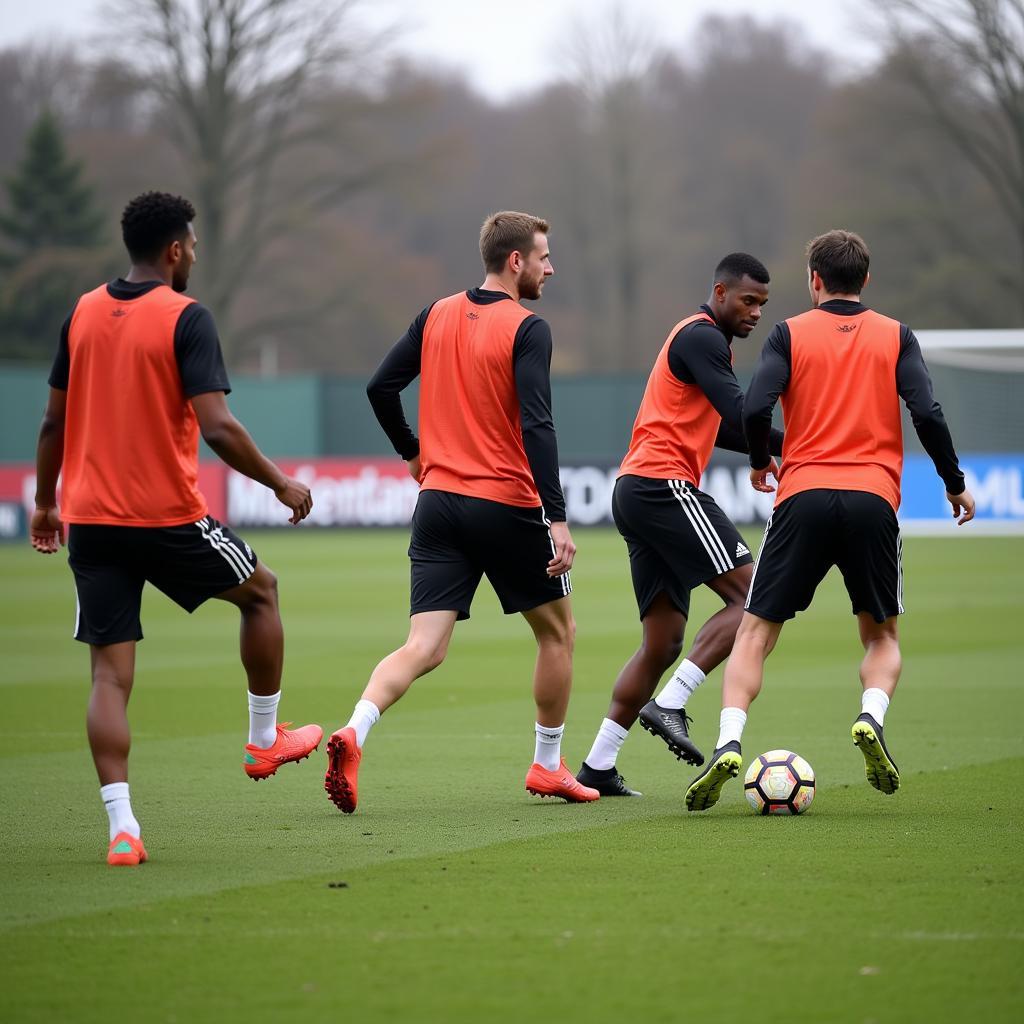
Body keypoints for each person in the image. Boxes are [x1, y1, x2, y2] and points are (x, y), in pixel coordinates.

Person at [30, 191, 322, 866]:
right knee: (262, 593)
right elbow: (217, 424)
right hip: (166, 516)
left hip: (92, 521)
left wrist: (45, 502)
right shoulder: (186, 317)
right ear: (174, 249)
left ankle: (123, 829)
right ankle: (263, 738)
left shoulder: (82, 312)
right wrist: (280, 481)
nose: (194, 254)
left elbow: (52, 422)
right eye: (191, 244)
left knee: (109, 676)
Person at [685, 229, 976, 812]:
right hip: (872, 498)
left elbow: (754, 408)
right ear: (864, 279)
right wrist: (953, 482)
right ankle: (870, 718)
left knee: (756, 632)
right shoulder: (897, 335)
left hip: (803, 495)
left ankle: (729, 741)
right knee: (881, 634)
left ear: (813, 279)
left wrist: (764, 462)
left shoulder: (789, 333)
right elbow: (926, 411)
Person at [325, 210, 598, 813]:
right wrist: (556, 515)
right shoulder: (529, 328)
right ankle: (548, 765)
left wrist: (412, 453)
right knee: (558, 633)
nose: (551, 268)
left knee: (425, 645)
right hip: (505, 504)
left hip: (438, 505)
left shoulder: (436, 313)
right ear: (516, 262)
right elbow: (537, 424)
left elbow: (379, 387)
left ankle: (354, 729)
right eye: (545, 257)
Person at [576, 254, 784, 797]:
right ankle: (671, 701)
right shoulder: (702, 339)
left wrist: (786, 447)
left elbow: (728, 431)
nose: (756, 312)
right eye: (748, 300)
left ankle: (598, 763)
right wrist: (801, 443)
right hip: (662, 486)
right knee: (757, 596)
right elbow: (741, 414)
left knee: (662, 642)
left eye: (763, 303)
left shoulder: (702, 343)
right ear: (720, 292)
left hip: (638, 491)